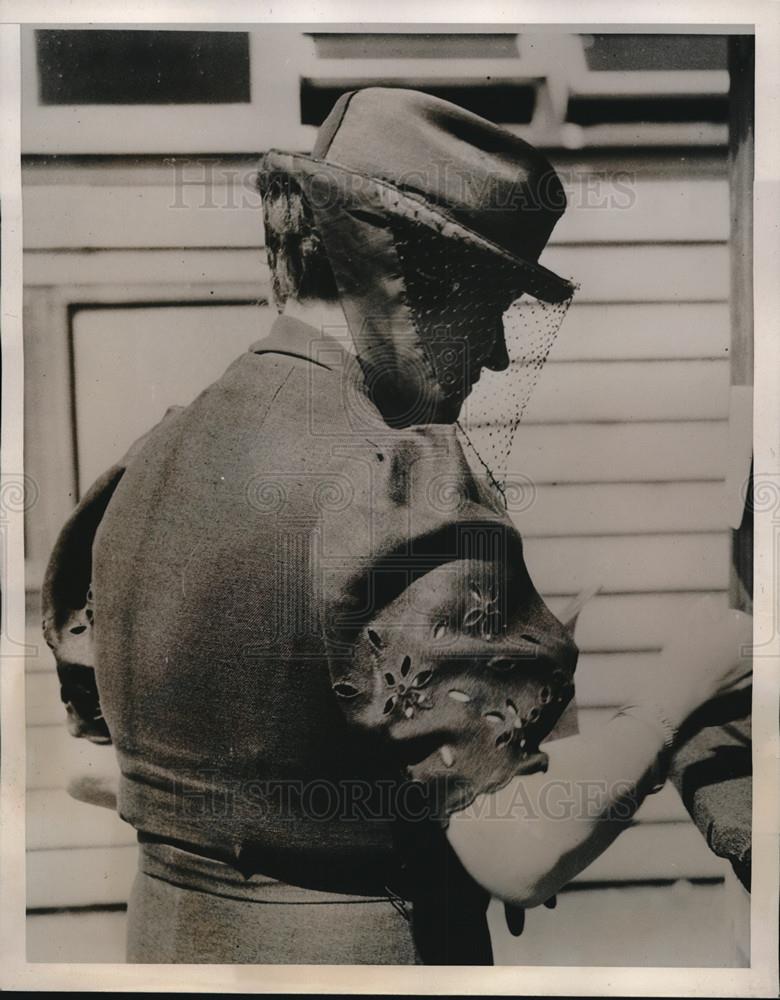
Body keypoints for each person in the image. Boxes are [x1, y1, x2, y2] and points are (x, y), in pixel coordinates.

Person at [42, 88, 752, 965]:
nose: (495, 351)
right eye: (491, 303)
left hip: (167, 949)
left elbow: (120, 766)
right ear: (417, 282)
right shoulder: (394, 481)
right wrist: (682, 687)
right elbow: (517, 852)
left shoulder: (157, 451)